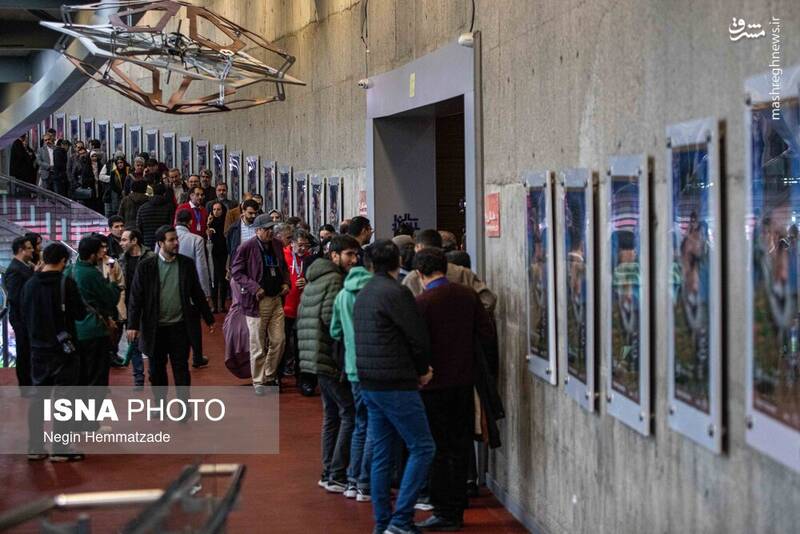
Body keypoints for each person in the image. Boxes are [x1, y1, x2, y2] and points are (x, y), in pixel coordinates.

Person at [353, 240, 435, 534]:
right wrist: (423, 370)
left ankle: (383, 522)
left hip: (369, 381)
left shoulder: (364, 294)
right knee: (423, 447)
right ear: (397, 262)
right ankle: (401, 520)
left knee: (382, 452)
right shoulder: (397, 292)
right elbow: (416, 336)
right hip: (396, 381)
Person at [412, 248, 494, 532]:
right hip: (464, 382)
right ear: (445, 268)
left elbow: (417, 345)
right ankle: (458, 505)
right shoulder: (468, 296)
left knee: (437, 448)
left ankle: (443, 510)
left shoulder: (422, 303)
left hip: (433, 386)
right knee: (460, 446)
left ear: (419, 274)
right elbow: (486, 334)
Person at [297, 235, 360, 493]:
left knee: (332, 414)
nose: (354, 259)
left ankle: (329, 472)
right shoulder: (335, 280)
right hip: (328, 356)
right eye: (349, 254)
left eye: (355, 254)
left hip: (314, 355)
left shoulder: (316, 277)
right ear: (334, 255)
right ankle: (337, 473)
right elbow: (330, 319)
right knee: (349, 412)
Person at [22, 243, 88, 462]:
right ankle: (60, 447)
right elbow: (79, 314)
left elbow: (22, 313)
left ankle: (35, 446)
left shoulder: (30, 284)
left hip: (37, 349)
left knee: (38, 398)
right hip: (63, 349)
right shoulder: (66, 283)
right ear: (63, 261)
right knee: (64, 399)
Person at [127, 226, 215, 388]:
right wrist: (132, 325)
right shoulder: (146, 266)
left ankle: (183, 403)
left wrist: (208, 317)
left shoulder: (186, 264)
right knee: (156, 370)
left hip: (179, 327)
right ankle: (160, 402)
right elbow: (136, 297)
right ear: (160, 243)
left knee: (181, 368)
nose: (176, 243)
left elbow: (196, 292)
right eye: (171, 240)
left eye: (176, 239)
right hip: (155, 328)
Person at [330, 260, 374, 503]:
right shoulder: (374, 293)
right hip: (374, 366)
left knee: (360, 423)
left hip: (352, 366)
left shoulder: (342, 295)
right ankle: (365, 481)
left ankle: (352, 480)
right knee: (374, 425)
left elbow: (335, 331)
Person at [230, 215, 290, 393]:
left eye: (272, 228)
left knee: (279, 340)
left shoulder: (277, 244)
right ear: (257, 231)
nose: (270, 232)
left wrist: (286, 283)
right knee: (257, 344)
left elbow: (283, 267)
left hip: (276, 298)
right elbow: (236, 272)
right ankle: (258, 381)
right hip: (257, 303)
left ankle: (269, 375)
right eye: (266, 229)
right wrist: (254, 288)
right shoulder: (246, 247)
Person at [65, 236, 122, 389]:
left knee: (80, 376)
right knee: (97, 375)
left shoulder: (69, 270)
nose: (103, 252)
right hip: (94, 330)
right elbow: (110, 299)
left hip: (74, 330)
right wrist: (113, 282)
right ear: (92, 255)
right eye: (100, 250)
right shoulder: (92, 274)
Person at [403, 229, 496, 313]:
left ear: (419, 247)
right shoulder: (463, 273)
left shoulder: (413, 278)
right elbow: (489, 300)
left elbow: (405, 313)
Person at [175, 209, 212, 369]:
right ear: (190, 222)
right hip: (191, 289)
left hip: (171, 287)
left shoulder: (163, 238)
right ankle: (197, 355)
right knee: (194, 324)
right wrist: (205, 293)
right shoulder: (196, 239)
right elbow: (201, 267)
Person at [119, 228, 154, 389]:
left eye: (124, 240)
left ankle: (153, 372)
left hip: (149, 306)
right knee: (133, 342)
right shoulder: (122, 260)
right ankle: (138, 377)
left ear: (134, 241)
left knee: (152, 341)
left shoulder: (150, 257)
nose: (121, 243)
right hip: (130, 306)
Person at [282, 228, 316, 391]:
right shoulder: (283, 255)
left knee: (302, 346)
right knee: (281, 344)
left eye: (306, 245)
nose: (303, 249)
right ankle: (277, 377)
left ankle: (303, 380)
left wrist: (308, 282)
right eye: (300, 245)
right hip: (285, 307)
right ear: (292, 243)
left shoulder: (311, 259)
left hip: (304, 308)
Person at [5, 236, 35, 387]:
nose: (33, 250)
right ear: (21, 250)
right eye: (29, 248)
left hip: (27, 317)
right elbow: (15, 298)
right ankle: (25, 385)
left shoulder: (25, 266)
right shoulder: (15, 270)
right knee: (24, 352)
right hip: (21, 319)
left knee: (28, 351)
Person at [136, 183, 175, 250]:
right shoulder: (169, 207)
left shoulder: (142, 208)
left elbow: (139, 226)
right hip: (164, 241)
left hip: (147, 242)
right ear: (164, 193)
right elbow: (171, 224)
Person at [207, 201, 229, 313]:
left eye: (218, 209)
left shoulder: (226, 222)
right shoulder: (210, 222)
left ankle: (223, 305)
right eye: (214, 209)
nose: (216, 212)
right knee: (214, 280)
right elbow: (206, 238)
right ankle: (214, 306)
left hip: (224, 253)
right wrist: (208, 225)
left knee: (223, 280)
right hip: (213, 254)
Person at [225, 198, 260, 263]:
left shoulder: (260, 227)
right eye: (250, 213)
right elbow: (230, 247)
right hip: (239, 261)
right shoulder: (233, 228)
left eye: (255, 213)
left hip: (256, 261)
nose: (253, 216)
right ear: (243, 211)